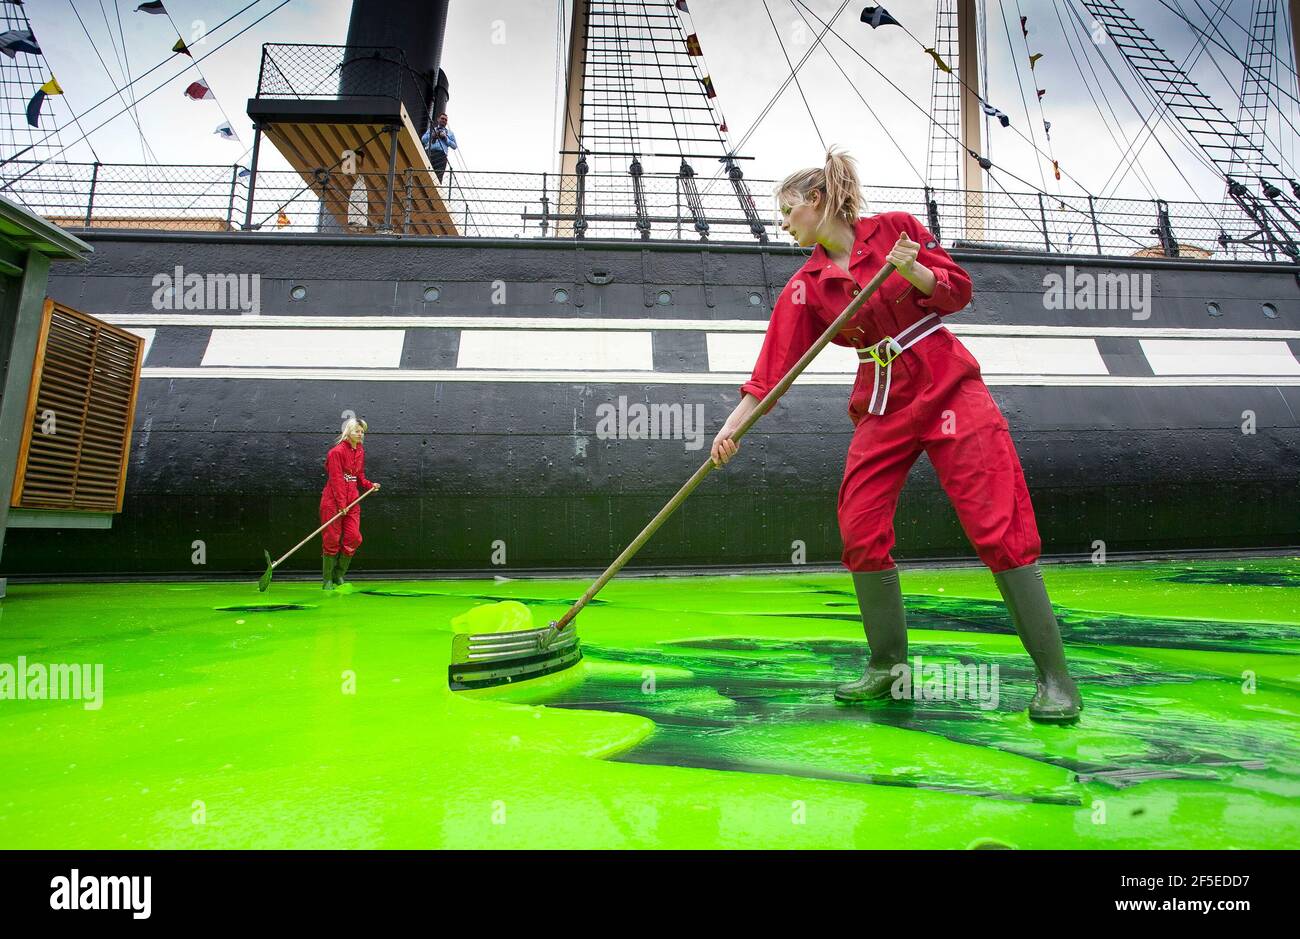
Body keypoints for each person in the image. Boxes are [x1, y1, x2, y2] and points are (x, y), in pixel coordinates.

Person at [710, 148, 1082, 723]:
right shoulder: (806, 286)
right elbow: (773, 371)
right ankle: (888, 667)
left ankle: (1056, 679)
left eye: (787, 211)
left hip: (949, 386)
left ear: (816, 202)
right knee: (859, 525)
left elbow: (957, 292)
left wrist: (914, 269)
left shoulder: (898, 231)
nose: (781, 223)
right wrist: (731, 429)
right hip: (883, 403)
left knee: (997, 524)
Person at [321, 417, 380, 589]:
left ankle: (338, 575)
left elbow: (359, 476)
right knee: (331, 538)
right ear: (348, 432)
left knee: (353, 537)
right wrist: (341, 504)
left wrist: (370, 485)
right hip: (333, 502)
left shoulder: (360, 451)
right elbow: (337, 480)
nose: (360, 434)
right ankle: (327, 581)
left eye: (362, 432)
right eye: (357, 431)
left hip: (353, 501)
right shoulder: (336, 453)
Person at [421, 112, 457, 183]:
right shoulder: (431, 130)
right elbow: (423, 139)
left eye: (446, 120)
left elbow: (454, 146)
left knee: (438, 176)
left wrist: (446, 138)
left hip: (441, 155)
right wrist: (432, 135)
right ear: (438, 119)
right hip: (429, 153)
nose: (444, 120)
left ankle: (436, 187)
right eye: (442, 118)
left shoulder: (450, 133)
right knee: (425, 172)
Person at [347, 147, 370, 231]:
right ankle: (361, 157)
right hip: (359, 198)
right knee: (361, 177)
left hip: (358, 197)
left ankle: (362, 157)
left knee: (361, 176)